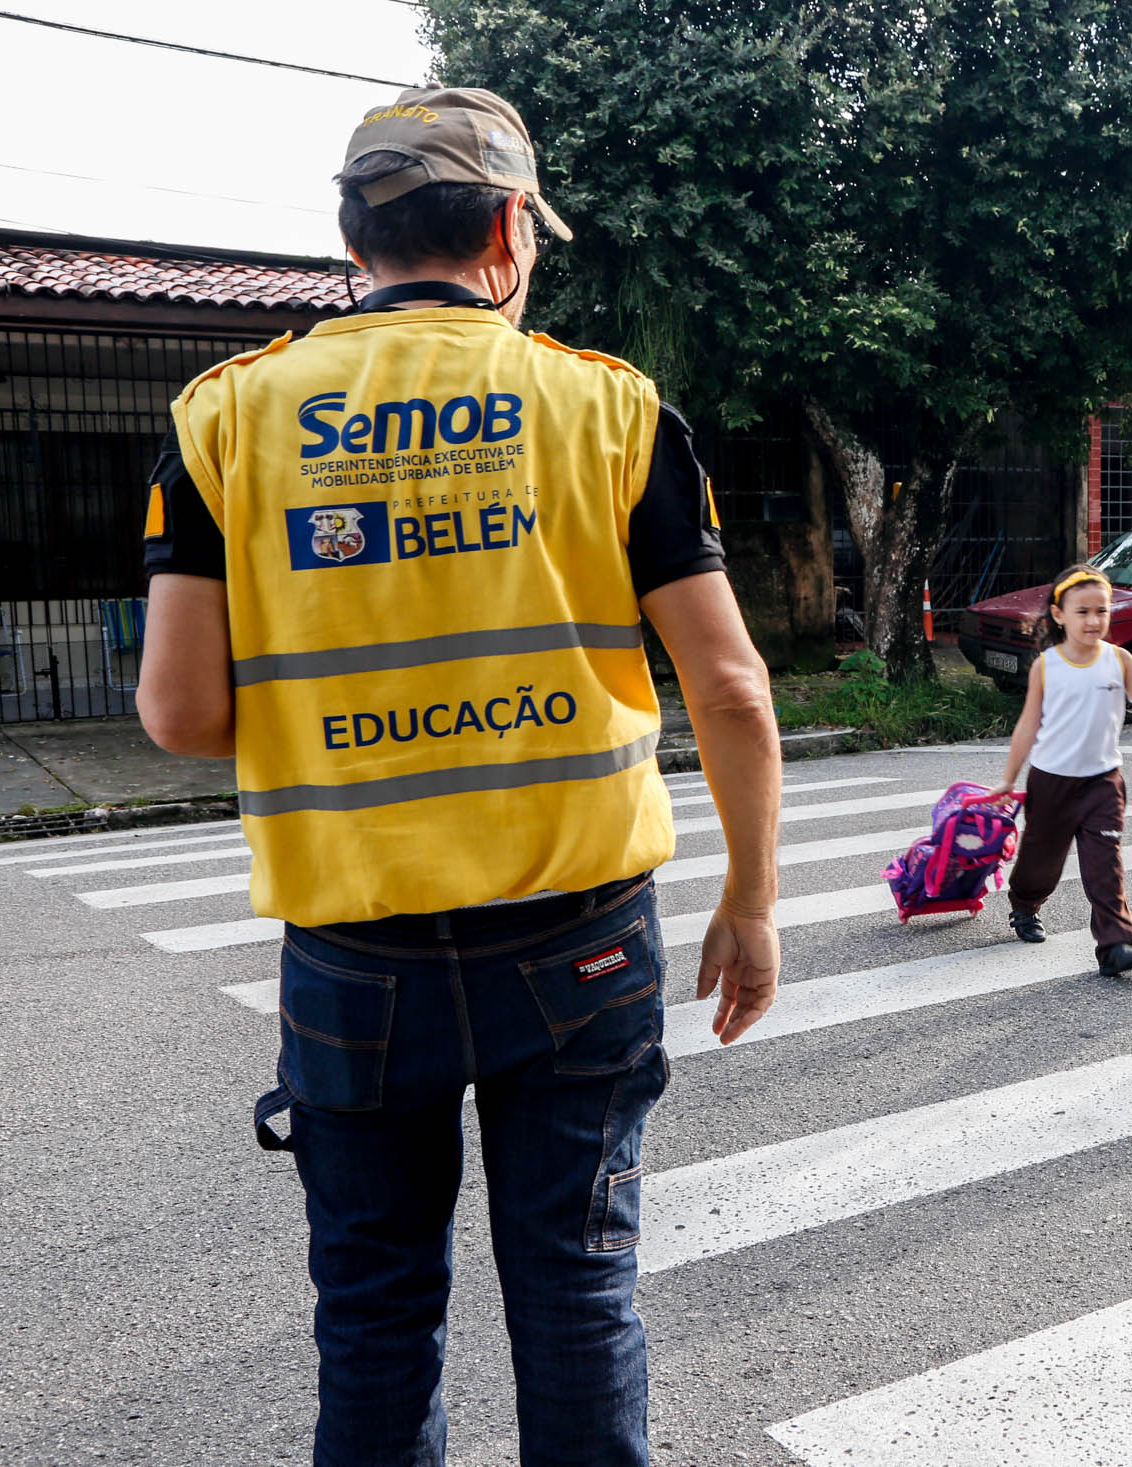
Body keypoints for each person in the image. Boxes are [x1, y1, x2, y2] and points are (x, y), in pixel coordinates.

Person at [135, 87, 783, 1466]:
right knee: (578, 1294)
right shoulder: (608, 409)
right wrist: (753, 898)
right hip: (583, 934)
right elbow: (728, 684)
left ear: (353, 234)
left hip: (355, 948)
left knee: (373, 1320)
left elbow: (181, 711)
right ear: (507, 227)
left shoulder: (227, 418)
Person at [987, 566, 1132, 977]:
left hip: (1103, 782)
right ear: (1059, 614)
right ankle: (1024, 905)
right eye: (1082, 611)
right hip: (1051, 780)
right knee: (1042, 860)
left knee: (1106, 864)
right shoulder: (1046, 665)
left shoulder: (1119, 660)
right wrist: (1008, 779)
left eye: (1101, 611)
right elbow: (1028, 726)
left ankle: (1114, 945)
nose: (1093, 620)